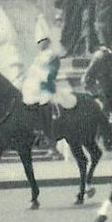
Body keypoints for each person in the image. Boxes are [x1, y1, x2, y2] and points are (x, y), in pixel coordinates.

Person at [21, 15, 74, 148]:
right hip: (35, 88)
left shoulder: (52, 55)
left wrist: (41, 78)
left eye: (42, 41)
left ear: (47, 41)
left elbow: (52, 72)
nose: (40, 45)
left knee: (47, 103)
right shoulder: (38, 58)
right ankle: (35, 133)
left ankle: (51, 136)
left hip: (48, 87)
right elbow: (31, 72)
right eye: (38, 42)